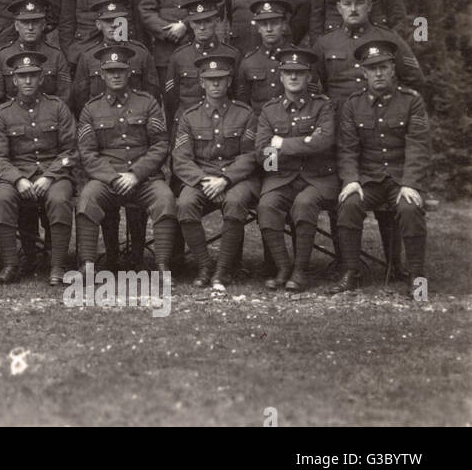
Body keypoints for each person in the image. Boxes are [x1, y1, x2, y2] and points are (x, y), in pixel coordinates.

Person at [333, 40, 430, 296]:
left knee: (410, 209)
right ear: (363, 72)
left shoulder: (411, 101)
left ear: (393, 69)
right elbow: (347, 148)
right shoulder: (353, 104)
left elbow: (418, 145)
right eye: (371, 68)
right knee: (349, 204)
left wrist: (410, 183)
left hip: (400, 178)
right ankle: (350, 271)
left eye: (383, 67)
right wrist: (351, 180)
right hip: (368, 178)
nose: (378, 73)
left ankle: (417, 276)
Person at [75, 45, 178, 274]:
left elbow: (161, 144)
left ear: (129, 72)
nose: (115, 75)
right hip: (106, 178)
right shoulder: (91, 109)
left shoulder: (147, 103)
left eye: (120, 70)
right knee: (87, 199)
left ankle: (162, 265)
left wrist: (135, 174)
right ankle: (89, 265)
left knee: (165, 199)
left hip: (144, 178)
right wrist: (112, 178)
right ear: (102, 74)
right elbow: (87, 153)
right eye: (110, 71)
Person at [0, 50, 78, 286]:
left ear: (41, 78)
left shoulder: (57, 107)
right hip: (17, 174)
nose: (28, 81)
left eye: (33, 76)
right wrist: (18, 180)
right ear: (14, 80)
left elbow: (70, 151)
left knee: (59, 200)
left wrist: (49, 177)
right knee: (1, 199)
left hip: (54, 174)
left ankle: (57, 265)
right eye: (22, 76)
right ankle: (10, 264)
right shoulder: (3, 113)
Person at [171, 53, 259, 287]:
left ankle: (223, 270)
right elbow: (181, 158)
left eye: (221, 78)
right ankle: (204, 266)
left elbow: (251, 155)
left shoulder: (245, 113)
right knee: (185, 204)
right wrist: (203, 181)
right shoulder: (189, 117)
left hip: (238, 179)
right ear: (202, 82)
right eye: (210, 79)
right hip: (202, 179)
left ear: (229, 81)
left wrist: (226, 179)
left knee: (235, 202)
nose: (216, 83)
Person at [254, 48, 338, 291]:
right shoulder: (270, 110)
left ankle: (301, 270)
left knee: (304, 204)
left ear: (309, 77)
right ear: (280, 77)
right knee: (266, 205)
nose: (293, 77)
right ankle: (283, 267)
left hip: (318, 177)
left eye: (299, 73)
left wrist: (280, 143)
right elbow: (262, 154)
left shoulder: (323, 106)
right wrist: (304, 145)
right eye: (288, 73)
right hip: (281, 177)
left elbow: (324, 143)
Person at [312, 0, 423, 102]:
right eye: (347, 4)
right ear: (339, 8)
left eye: (359, 3)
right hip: (339, 117)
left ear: (369, 6)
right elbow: (310, 87)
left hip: (381, 116)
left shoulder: (389, 39)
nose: (353, 9)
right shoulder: (324, 44)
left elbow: (414, 80)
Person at [0, 0, 70, 121]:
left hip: (48, 125)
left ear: (43, 25)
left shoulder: (56, 55)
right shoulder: (2, 56)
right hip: (12, 125)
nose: (30, 27)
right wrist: (8, 125)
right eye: (25, 22)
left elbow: (65, 99)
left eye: (35, 22)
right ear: (16, 25)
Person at [70, 0, 158, 115]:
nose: (114, 25)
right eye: (108, 21)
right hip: (100, 120)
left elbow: (152, 93)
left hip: (135, 118)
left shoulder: (141, 54)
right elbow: (80, 98)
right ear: (98, 24)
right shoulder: (88, 56)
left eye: (118, 20)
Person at [163, 0, 237, 124]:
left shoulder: (232, 54)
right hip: (189, 125)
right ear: (190, 24)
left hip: (223, 124)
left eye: (207, 21)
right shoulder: (179, 56)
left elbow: (238, 96)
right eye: (197, 22)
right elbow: (171, 100)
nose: (202, 27)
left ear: (217, 21)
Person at [234, 0, 295, 107]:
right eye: (263, 24)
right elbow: (243, 104)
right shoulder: (248, 62)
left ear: (284, 25)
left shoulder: (298, 58)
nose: (269, 29)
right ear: (257, 28)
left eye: (274, 23)